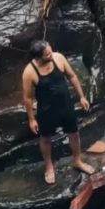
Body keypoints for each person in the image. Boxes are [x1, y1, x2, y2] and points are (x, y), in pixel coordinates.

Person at [22, 40, 94, 185]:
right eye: (47, 53)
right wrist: (31, 119)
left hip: (66, 105)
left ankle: (77, 161)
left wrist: (81, 97)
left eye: (50, 50)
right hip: (47, 110)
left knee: (74, 133)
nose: (51, 54)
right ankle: (49, 167)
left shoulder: (58, 58)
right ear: (38, 57)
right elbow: (28, 98)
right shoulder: (29, 72)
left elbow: (72, 76)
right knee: (46, 138)